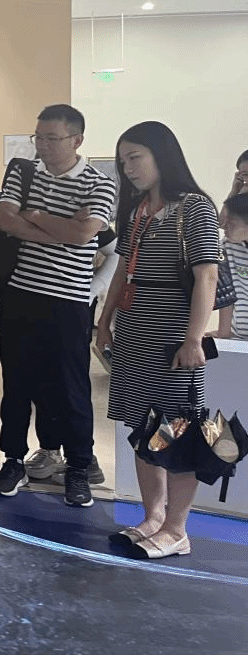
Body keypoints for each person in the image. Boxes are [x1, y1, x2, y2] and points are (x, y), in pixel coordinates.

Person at [96, 121, 220, 559]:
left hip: (173, 341)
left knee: (177, 431)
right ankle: (152, 517)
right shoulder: (137, 210)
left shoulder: (195, 208)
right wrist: (105, 321)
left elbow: (207, 276)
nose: (128, 168)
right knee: (142, 427)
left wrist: (193, 339)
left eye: (136, 158)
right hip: (134, 335)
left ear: (162, 155)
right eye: (123, 160)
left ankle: (176, 528)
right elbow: (122, 271)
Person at [0, 105, 116, 507]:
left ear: (77, 140)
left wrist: (36, 215)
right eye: (38, 137)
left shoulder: (100, 184)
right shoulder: (23, 173)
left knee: (71, 387)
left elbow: (85, 236)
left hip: (69, 301)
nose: (42, 145)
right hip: (20, 294)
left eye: (52, 138)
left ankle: (78, 467)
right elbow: (7, 221)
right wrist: (65, 229)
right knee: (16, 384)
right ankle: (12, 460)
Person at [219, 193, 248, 339]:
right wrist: (223, 334)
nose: (224, 227)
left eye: (231, 224)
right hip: (239, 337)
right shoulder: (228, 246)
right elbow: (226, 294)